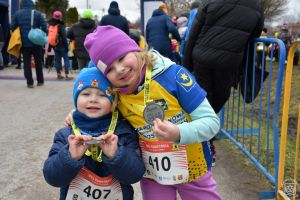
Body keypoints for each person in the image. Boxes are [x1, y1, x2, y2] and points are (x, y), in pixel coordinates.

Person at [84, 25, 221, 200]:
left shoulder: (174, 76)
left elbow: (211, 122)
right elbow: (94, 103)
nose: (119, 69)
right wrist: (79, 113)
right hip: (153, 174)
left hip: (192, 165)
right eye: (109, 69)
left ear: (135, 49)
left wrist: (179, 132)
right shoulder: (115, 93)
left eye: (121, 58)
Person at [43, 67, 145, 200]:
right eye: (85, 94)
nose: (93, 99)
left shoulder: (123, 132)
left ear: (113, 102)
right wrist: (69, 157)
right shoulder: (66, 135)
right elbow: (52, 178)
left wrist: (117, 155)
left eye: (102, 95)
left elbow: (135, 175)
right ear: (76, 99)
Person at [183, 0, 264, 165]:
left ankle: (198, 138)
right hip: (227, 62)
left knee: (204, 102)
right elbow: (253, 37)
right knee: (215, 100)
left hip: (204, 58)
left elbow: (193, 34)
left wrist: (186, 65)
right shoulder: (256, 5)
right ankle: (204, 143)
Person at [10, 0, 47, 88]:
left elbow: (12, 27)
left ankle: (29, 82)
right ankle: (40, 81)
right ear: (32, 4)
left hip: (24, 43)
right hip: (36, 43)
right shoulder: (37, 14)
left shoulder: (17, 14)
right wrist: (41, 33)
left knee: (26, 63)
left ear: (22, 5)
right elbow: (44, 26)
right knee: (38, 62)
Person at [48, 10, 72, 80]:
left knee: (57, 60)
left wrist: (50, 46)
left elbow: (50, 36)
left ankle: (58, 74)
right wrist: (66, 47)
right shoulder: (61, 25)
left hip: (55, 45)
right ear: (61, 17)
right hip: (62, 45)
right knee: (66, 59)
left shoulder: (51, 24)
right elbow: (64, 37)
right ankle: (67, 75)